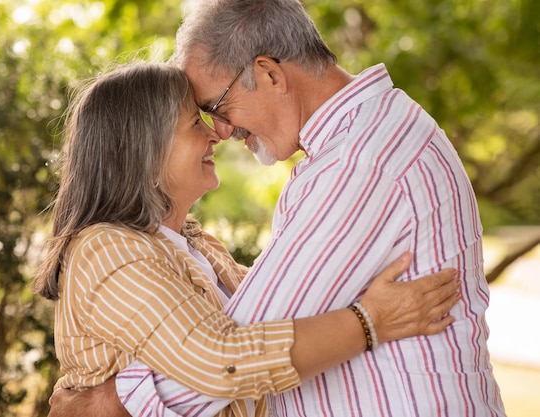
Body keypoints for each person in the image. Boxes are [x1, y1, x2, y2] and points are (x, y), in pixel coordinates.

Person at [49, 0, 507, 416]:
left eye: (216, 106)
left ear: (269, 74)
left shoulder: (358, 163)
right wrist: (368, 321)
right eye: (201, 118)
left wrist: (108, 405)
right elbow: (235, 347)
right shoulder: (360, 144)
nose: (222, 131)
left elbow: (235, 350)